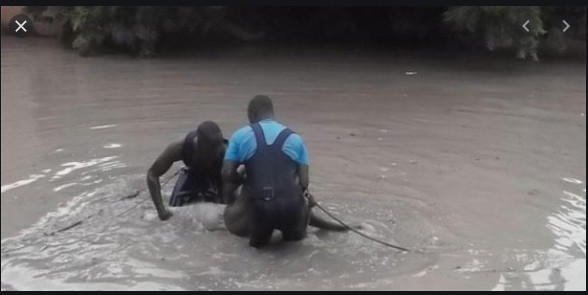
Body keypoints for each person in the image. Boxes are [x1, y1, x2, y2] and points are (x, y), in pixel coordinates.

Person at [222, 95, 325, 248]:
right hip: (292, 206)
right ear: (272, 113)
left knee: (259, 253)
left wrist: (245, 181)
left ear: (252, 113)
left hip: (261, 207)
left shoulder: (240, 135)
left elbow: (227, 173)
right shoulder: (295, 138)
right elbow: (304, 182)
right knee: (295, 250)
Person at [147, 121, 227, 221]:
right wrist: (161, 211)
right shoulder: (180, 147)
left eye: (219, 147)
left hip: (218, 174)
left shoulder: (226, 153)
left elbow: (234, 182)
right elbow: (152, 175)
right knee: (174, 212)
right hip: (192, 172)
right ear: (200, 145)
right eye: (213, 150)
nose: (217, 152)